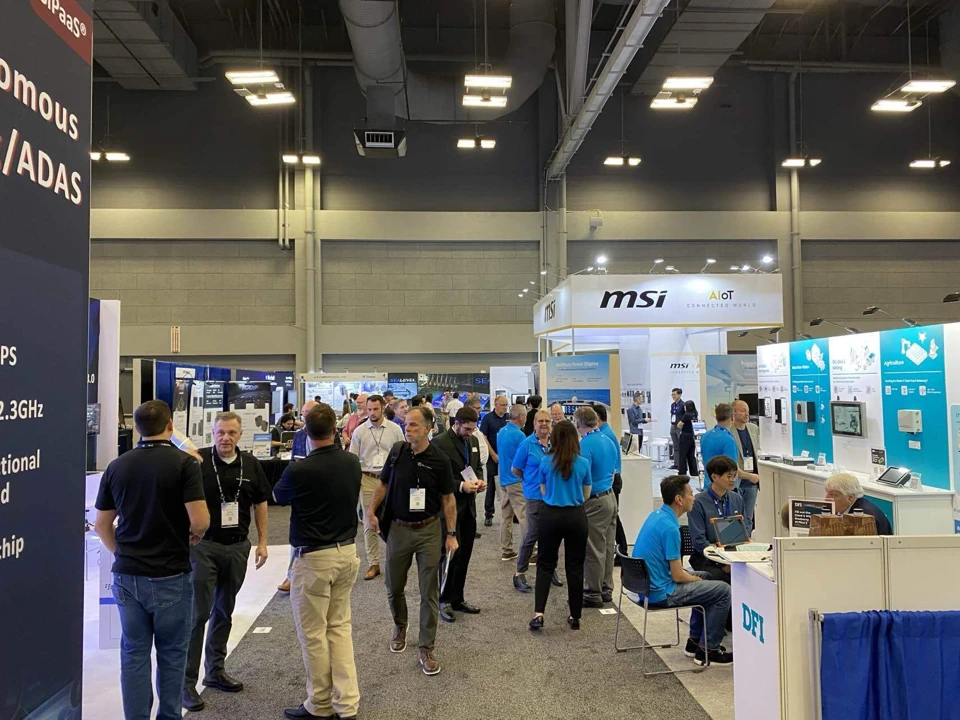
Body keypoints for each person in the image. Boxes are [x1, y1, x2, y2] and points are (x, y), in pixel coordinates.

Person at [94, 400, 210, 720]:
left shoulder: (118, 466)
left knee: (133, 654)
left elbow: (102, 524)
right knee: (172, 655)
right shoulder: (185, 464)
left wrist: (123, 553)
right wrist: (194, 534)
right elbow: (199, 520)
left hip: (128, 575)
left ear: (137, 429)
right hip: (171, 574)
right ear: (170, 426)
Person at [273, 404, 362, 720]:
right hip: (347, 553)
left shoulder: (299, 469)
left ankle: (319, 704)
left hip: (313, 560)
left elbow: (278, 497)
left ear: (305, 433)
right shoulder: (352, 463)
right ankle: (347, 704)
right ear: (336, 430)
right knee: (339, 628)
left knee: (313, 634)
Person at [183, 412, 271, 711]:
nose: (225, 438)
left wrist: (261, 541)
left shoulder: (251, 465)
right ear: (212, 432)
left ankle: (215, 671)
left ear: (240, 434)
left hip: (237, 548)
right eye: (220, 432)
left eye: (231, 433)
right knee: (198, 615)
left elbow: (260, 502)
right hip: (203, 548)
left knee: (225, 610)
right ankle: (186, 683)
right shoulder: (199, 463)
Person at [366, 406, 458, 676]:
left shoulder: (440, 460)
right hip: (398, 529)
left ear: (429, 428)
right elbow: (382, 484)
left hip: (429, 531)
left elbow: (448, 499)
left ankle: (426, 647)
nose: (408, 428)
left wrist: (451, 535)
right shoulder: (397, 451)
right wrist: (371, 511)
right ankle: (400, 625)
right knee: (394, 585)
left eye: (415, 425)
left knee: (428, 591)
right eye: (407, 424)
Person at [631, 475, 733, 665]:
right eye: (691, 494)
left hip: (646, 586)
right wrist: (697, 581)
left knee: (707, 576)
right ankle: (709, 650)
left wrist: (699, 579)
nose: (693, 498)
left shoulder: (656, 516)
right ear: (679, 499)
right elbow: (678, 575)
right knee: (723, 590)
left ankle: (694, 642)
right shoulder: (670, 529)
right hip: (661, 593)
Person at [529, 420, 591, 631]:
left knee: (545, 565)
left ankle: (539, 614)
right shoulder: (583, 463)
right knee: (575, 566)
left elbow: (543, 491)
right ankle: (575, 616)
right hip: (575, 516)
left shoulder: (546, 462)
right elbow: (586, 494)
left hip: (551, 515)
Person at [431, 407, 486, 622]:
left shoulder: (471, 441)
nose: (470, 433)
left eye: (473, 429)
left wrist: (479, 480)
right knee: (449, 556)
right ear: (456, 423)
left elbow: (476, 467)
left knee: (464, 555)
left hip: (469, 508)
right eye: (467, 428)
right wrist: (462, 486)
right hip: (449, 509)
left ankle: (457, 598)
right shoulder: (440, 443)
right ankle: (443, 600)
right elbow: (437, 481)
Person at [349, 394, 405, 581]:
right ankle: (374, 563)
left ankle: (394, 559)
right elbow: (353, 459)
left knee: (394, 518)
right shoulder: (359, 431)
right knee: (369, 521)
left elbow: (403, 454)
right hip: (367, 478)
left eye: (375, 409)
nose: (372, 413)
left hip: (390, 478)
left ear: (383, 408)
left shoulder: (395, 429)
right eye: (369, 409)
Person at [511, 410, 563, 592]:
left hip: (553, 496)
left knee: (552, 536)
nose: (544, 424)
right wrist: (529, 480)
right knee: (532, 535)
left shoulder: (555, 444)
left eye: (547, 421)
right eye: (540, 421)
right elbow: (515, 469)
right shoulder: (526, 445)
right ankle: (519, 573)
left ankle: (550, 570)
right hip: (534, 496)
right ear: (534, 423)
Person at [574, 407, 620, 608]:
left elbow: (582, 475)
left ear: (578, 424)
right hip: (610, 497)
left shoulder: (585, 445)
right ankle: (605, 589)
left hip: (594, 500)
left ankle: (592, 592)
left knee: (593, 548)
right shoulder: (608, 439)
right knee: (608, 546)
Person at [279, 400, 321, 593]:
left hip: (321, 488)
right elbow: (294, 461)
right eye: (302, 413)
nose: (304, 416)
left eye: (308, 413)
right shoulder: (298, 435)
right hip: (302, 490)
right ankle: (290, 576)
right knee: (297, 534)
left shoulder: (327, 433)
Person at [687, 455, 745, 585]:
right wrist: (721, 562)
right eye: (729, 476)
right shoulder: (698, 502)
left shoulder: (737, 499)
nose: (733, 480)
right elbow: (698, 540)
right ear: (714, 477)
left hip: (733, 554)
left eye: (734, 476)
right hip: (706, 558)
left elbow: (744, 527)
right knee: (725, 581)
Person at [496, 404, 528, 561]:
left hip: (503, 479)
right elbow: (523, 460)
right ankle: (531, 552)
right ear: (521, 417)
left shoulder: (501, 432)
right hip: (516, 481)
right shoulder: (520, 436)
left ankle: (506, 549)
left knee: (505, 516)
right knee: (524, 517)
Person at [824, 472, 892, 535]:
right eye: (827, 493)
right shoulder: (845, 508)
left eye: (833, 495)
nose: (826, 498)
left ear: (850, 498)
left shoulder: (864, 517)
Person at [479, 395, 510, 528]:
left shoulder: (508, 418)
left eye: (506, 405)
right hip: (493, 457)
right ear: (496, 404)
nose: (505, 407)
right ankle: (488, 514)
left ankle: (511, 513)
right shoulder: (488, 418)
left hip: (507, 458)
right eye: (503, 405)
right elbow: (484, 437)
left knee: (510, 485)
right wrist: (493, 454)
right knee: (491, 484)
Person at [732, 400, 761, 533]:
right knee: (735, 517)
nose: (746, 414)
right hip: (736, 482)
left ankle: (747, 543)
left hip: (752, 482)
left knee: (748, 518)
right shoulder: (729, 432)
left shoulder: (754, 429)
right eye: (743, 411)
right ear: (734, 412)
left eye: (747, 411)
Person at [699, 403, 739, 488]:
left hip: (708, 485)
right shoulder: (728, 440)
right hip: (723, 489)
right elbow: (731, 469)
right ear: (732, 417)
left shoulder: (705, 436)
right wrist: (751, 477)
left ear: (716, 417)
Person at [675, 400, 699, 477]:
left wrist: (681, 424)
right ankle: (694, 472)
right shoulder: (695, 414)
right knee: (691, 455)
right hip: (692, 435)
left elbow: (679, 425)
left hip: (685, 435)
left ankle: (682, 471)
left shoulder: (687, 415)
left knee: (682, 454)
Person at [669, 388, 685, 468]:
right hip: (673, 426)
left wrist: (681, 422)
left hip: (680, 427)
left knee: (681, 445)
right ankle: (676, 463)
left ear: (679, 395)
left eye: (674, 394)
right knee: (675, 446)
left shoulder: (683, 405)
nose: (673, 396)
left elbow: (685, 416)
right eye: (672, 394)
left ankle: (681, 464)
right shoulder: (673, 405)